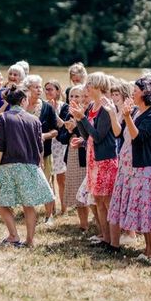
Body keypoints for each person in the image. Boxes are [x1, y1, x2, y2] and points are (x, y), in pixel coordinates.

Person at [108, 78, 151, 264]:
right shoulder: (137, 112)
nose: (132, 93)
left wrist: (126, 116)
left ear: (145, 93)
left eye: (135, 90)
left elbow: (138, 137)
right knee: (143, 214)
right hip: (132, 170)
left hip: (145, 171)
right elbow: (121, 134)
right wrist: (118, 114)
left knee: (150, 215)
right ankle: (148, 252)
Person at [0, 85, 54, 247]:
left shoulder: (3, 118)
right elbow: (40, 147)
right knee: (28, 204)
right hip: (30, 166)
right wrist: (38, 165)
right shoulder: (35, 120)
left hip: (9, 166)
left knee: (1, 203)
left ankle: (13, 235)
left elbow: (0, 146)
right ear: (23, 101)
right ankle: (30, 240)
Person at [72, 72, 119, 246]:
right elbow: (87, 135)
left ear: (98, 86)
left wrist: (83, 118)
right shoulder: (92, 105)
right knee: (98, 199)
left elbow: (99, 136)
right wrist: (79, 119)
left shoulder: (106, 107)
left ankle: (113, 241)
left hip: (106, 159)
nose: (86, 88)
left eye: (89, 85)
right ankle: (105, 237)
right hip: (93, 158)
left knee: (106, 200)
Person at [58, 85, 96, 230]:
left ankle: (95, 222)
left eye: (77, 96)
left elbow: (91, 136)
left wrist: (76, 128)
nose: (73, 99)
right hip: (72, 157)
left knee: (88, 192)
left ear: (84, 98)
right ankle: (83, 224)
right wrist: (68, 131)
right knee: (77, 192)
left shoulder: (88, 113)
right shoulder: (68, 114)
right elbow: (61, 138)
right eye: (71, 96)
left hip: (86, 156)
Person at [24, 75, 58, 225]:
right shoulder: (21, 107)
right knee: (26, 183)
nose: (39, 90)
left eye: (40, 87)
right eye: (36, 87)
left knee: (45, 183)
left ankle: (49, 215)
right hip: (24, 153)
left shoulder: (47, 107)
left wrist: (44, 136)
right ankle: (29, 214)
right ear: (27, 89)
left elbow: (55, 131)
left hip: (44, 153)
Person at [45, 80, 67, 214]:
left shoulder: (64, 107)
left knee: (61, 179)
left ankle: (64, 208)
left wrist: (54, 112)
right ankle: (51, 208)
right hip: (47, 143)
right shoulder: (42, 105)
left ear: (58, 91)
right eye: (46, 89)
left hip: (59, 145)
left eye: (51, 89)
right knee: (49, 178)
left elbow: (64, 125)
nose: (48, 92)